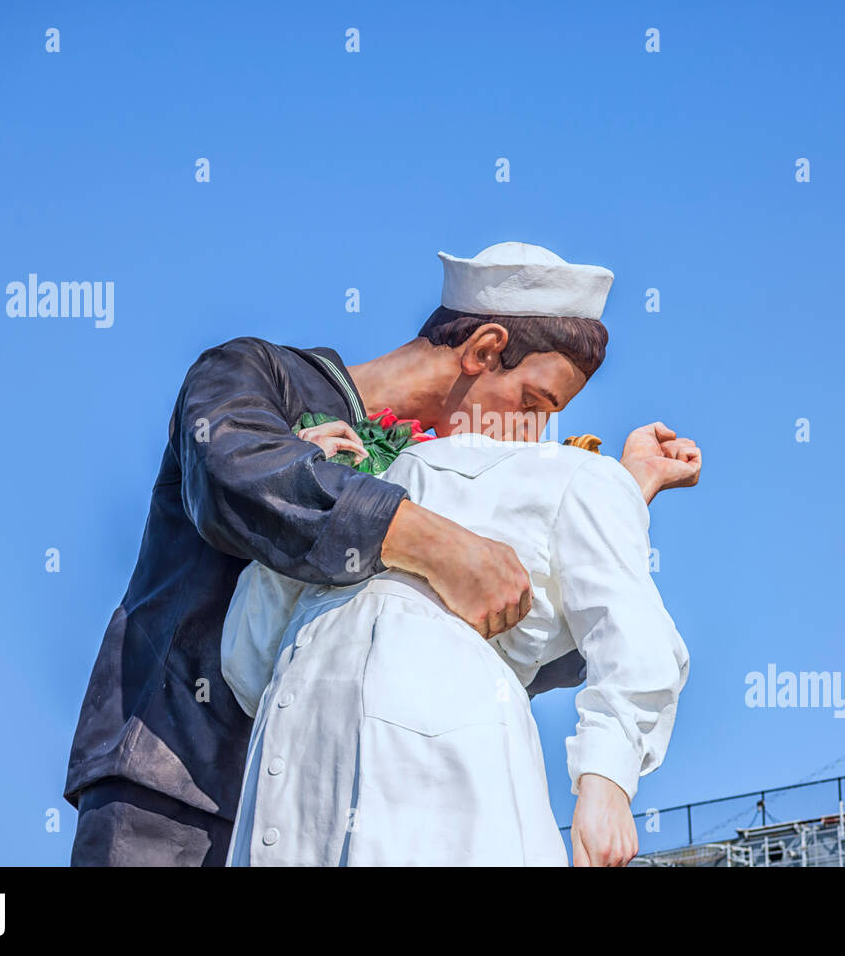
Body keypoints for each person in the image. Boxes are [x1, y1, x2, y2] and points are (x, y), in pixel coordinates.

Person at [64, 241, 702, 865]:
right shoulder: (256, 376)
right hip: (176, 776)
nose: (533, 437)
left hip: (356, 795)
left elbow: (515, 642)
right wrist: (438, 544)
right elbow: (241, 480)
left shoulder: (446, 471)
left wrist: (614, 499)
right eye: (534, 406)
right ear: (485, 350)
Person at [221, 428, 695, 866]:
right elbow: (247, 671)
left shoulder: (569, 474)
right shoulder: (336, 514)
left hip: (442, 782)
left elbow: (632, 630)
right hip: (290, 783)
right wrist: (301, 499)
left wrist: (607, 778)